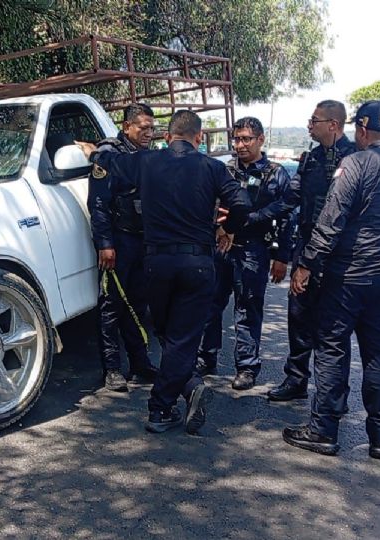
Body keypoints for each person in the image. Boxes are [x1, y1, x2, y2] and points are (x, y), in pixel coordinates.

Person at [77, 110, 251, 435]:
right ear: (199, 138)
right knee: (184, 337)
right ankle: (168, 401)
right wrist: (228, 228)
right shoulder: (213, 167)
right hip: (198, 265)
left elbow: (110, 163)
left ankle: (175, 398)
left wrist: (93, 151)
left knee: (168, 333)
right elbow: (241, 203)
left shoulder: (146, 162)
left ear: (168, 136)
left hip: (156, 264)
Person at [282, 100, 380, 461]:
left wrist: (304, 265)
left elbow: (329, 223)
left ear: (362, 131)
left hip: (348, 277)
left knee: (332, 349)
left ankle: (323, 430)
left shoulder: (356, 164)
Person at [267, 100, 357, 402]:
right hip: (306, 249)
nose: (309, 125)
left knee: (333, 329)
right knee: (299, 317)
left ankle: (334, 396)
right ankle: (296, 380)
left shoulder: (356, 159)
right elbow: (290, 200)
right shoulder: (311, 159)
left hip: (339, 255)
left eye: (314, 120)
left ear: (333, 124)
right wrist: (251, 217)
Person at [197, 117, 295, 391]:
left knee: (247, 309)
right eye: (236, 139)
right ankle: (206, 357)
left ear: (260, 139)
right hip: (221, 247)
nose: (239, 145)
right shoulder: (224, 170)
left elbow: (286, 216)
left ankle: (247, 366)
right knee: (210, 305)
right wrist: (218, 228)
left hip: (254, 250)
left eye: (246, 139)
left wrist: (282, 257)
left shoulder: (275, 174)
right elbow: (207, 205)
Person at [87, 103, 159, 392]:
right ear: (126, 126)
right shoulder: (108, 156)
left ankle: (140, 364)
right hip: (118, 241)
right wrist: (105, 244)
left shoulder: (147, 157)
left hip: (143, 241)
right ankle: (112, 369)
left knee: (138, 304)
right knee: (111, 306)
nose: (149, 134)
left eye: (152, 128)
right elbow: (99, 204)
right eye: (143, 128)